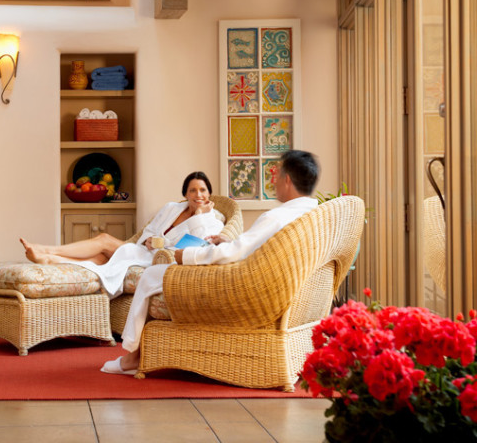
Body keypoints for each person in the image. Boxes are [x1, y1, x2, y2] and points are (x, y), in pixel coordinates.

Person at [101, 150, 320, 375]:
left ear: (287, 180)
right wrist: (226, 240)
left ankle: (131, 358)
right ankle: (136, 353)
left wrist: (185, 256)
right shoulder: (314, 213)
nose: (273, 182)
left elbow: (234, 254)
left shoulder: (276, 217)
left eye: (277, 175)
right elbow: (252, 249)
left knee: (151, 275)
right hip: (273, 285)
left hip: (240, 284)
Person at [20, 172, 225, 298]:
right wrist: (149, 240)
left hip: (161, 260)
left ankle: (48, 249)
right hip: (145, 250)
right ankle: (50, 259)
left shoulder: (213, 221)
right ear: (185, 193)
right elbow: (149, 231)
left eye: (203, 190)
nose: (198, 195)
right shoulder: (171, 208)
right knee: (100, 258)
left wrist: (199, 216)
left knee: (104, 240)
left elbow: (194, 247)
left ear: (209, 193)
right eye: (193, 190)